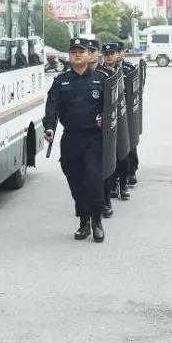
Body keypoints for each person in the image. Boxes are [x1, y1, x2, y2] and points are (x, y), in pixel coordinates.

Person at [43, 37, 106, 243]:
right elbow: (52, 107)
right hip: (71, 139)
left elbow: (113, 107)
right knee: (76, 183)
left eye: (81, 51)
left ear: (89, 55)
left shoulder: (101, 79)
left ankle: (97, 221)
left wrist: (106, 119)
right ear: (69, 56)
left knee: (94, 179)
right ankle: (84, 221)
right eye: (73, 52)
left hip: (94, 139)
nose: (77, 55)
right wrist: (49, 127)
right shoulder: (61, 81)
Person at [102, 42, 132, 203]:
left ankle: (124, 185)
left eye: (112, 54)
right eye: (106, 54)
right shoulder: (99, 73)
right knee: (110, 155)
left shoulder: (125, 71)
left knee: (123, 155)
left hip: (123, 118)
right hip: (108, 120)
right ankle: (112, 184)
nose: (109, 57)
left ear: (117, 54)